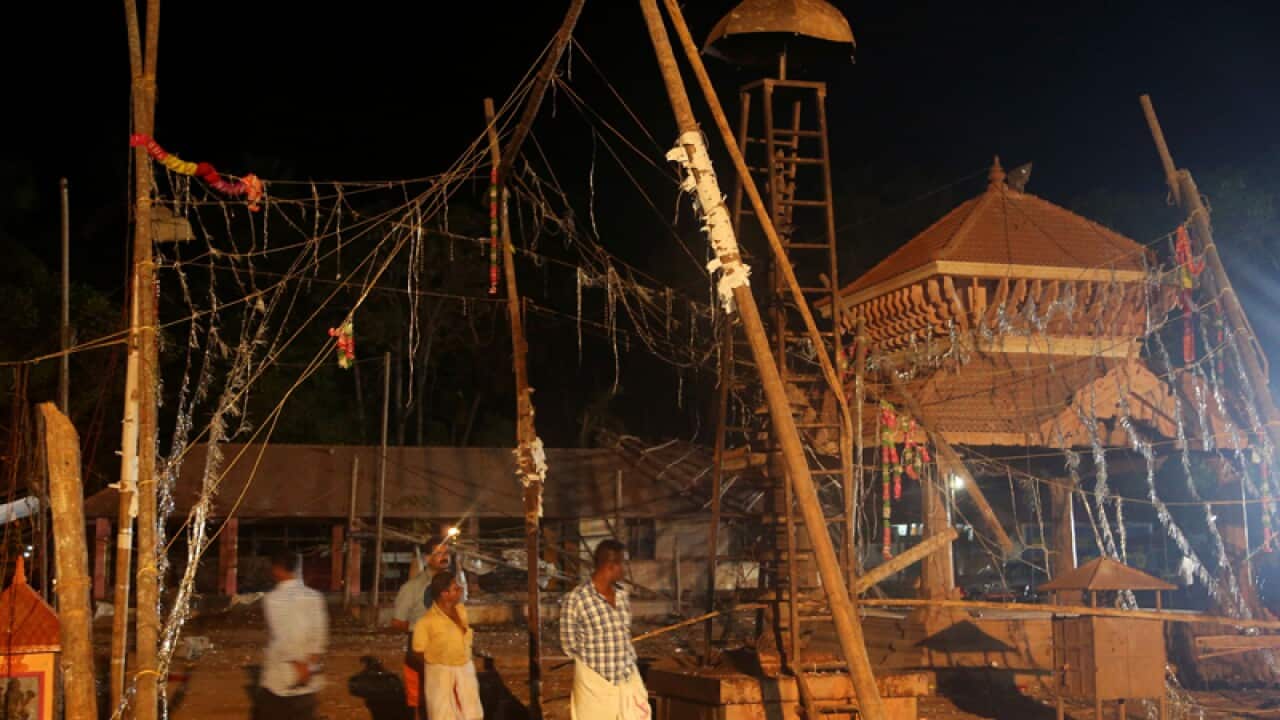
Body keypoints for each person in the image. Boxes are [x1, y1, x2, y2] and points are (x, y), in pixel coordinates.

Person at [560, 540, 650, 720]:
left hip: (626, 678)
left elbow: (624, 634)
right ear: (611, 565)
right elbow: (569, 645)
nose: (625, 569)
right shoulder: (577, 599)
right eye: (623, 563)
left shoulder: (622, 596)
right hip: (595, 684)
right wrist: (595, 667)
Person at [256, 550, 328, 720]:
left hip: (282, 674)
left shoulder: (273, 598)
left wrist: (298, 665)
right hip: (308, 675)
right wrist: (309, 664)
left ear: (277, 569)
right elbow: (319, 634)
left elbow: (284, 634)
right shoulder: (314, 596)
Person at [412, 571, 483, 720]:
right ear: (444, 593)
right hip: (439, 671)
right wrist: (436, 671)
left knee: (472, 713)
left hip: (465, 669)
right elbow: (418, 652)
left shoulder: (461, 611)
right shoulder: (426, 622)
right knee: (442, 715)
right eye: (455, 588)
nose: (460, 590)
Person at [392, 538, 450, 720]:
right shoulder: (412, 588)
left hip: (448, 650)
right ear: (426, 558)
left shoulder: (453, 586)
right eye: (438, 553)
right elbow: (397, 622)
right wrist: (421, 629)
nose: (444, 557)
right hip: (420, 651)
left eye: (446, 553)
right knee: (421, 702)